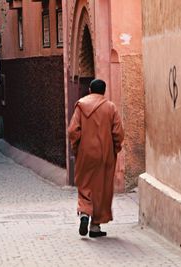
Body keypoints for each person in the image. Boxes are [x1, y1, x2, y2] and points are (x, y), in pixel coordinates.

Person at [68, 79, 124, 238]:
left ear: (90, 89)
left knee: (85, 184)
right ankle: (95, 226)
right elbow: (118, 133)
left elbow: (73, 130)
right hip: (105, 155)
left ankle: (84, 213)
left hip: (85, 154)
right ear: (104, 91)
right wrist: (115, 149)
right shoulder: (111, 107)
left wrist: (77, 147)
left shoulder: (81, 105)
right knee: (102, 189)